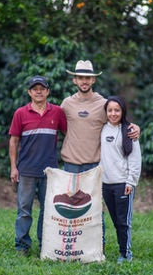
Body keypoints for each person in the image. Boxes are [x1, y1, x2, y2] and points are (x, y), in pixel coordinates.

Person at [60, 60, 140, 250]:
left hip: (95, 165)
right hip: (71, 164)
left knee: (95, 209)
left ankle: (98, 247)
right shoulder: (67, 104)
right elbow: (59, 126)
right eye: (81, 78)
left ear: (93, 80)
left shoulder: (103, 104)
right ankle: (73, 246)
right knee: (71, 208)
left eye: (88, 77)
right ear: (75, 80)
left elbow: (118, 122)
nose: (84, 81)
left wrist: (135, 128)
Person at [9, 75, 67, 255]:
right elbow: (13, 141)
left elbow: (69, 134)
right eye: (35, 89)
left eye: (42, 88)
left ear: (48, 91)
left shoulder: (57, 112)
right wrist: (13, 167)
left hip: (50, 171)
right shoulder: (20, 113)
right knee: (24, 211)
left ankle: (46, 246)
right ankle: (22, 246)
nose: (39, 91)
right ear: (29, 92)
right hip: (26, 170)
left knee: (47, 211)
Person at [100, 96, 142, 263]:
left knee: (124, 222)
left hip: (122, 184)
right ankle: (122, 250)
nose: (113, 113)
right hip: (105, 184)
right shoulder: (102, 129)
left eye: (117, 110)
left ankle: (126, 255)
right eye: (110, 110)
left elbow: (135, 159)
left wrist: (131, 182)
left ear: (122, 111)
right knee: (116, 221)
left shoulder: (129, 131)